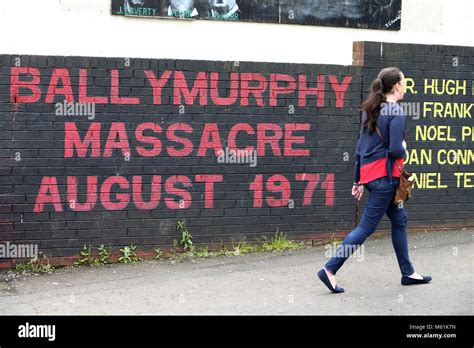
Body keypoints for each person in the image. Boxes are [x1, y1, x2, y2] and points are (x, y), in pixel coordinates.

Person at [317, 67, 432, 294]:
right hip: (385, 180)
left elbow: (360, 149)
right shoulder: (396, 112)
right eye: (404, 82)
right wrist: (404, 148)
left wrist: (358, 181)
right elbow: (396, 150)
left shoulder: (371, 110)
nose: (406, 85)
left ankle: (408, 272)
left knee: (399, 219)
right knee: (366, 227)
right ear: (397, 86)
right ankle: (329, 269)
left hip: (371, 177)